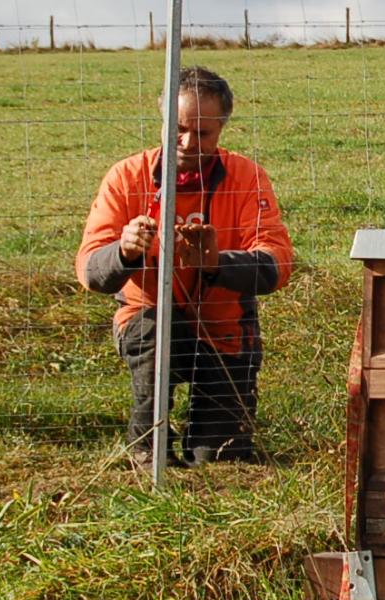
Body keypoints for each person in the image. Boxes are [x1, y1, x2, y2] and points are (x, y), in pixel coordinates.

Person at [77, 66, 295, 463]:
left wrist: (217, 263)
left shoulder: (247, 176)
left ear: (223, 128)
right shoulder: (126, 177)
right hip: (148, 318)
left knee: (219, 458)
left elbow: (277, 263)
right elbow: (90, 271)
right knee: (157, 331)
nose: (188, 142)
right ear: (161, 119)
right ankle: (146, 446)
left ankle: (205, 438)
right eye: (178, 128)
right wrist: (125, 251)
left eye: (203, 133)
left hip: (224, 329)